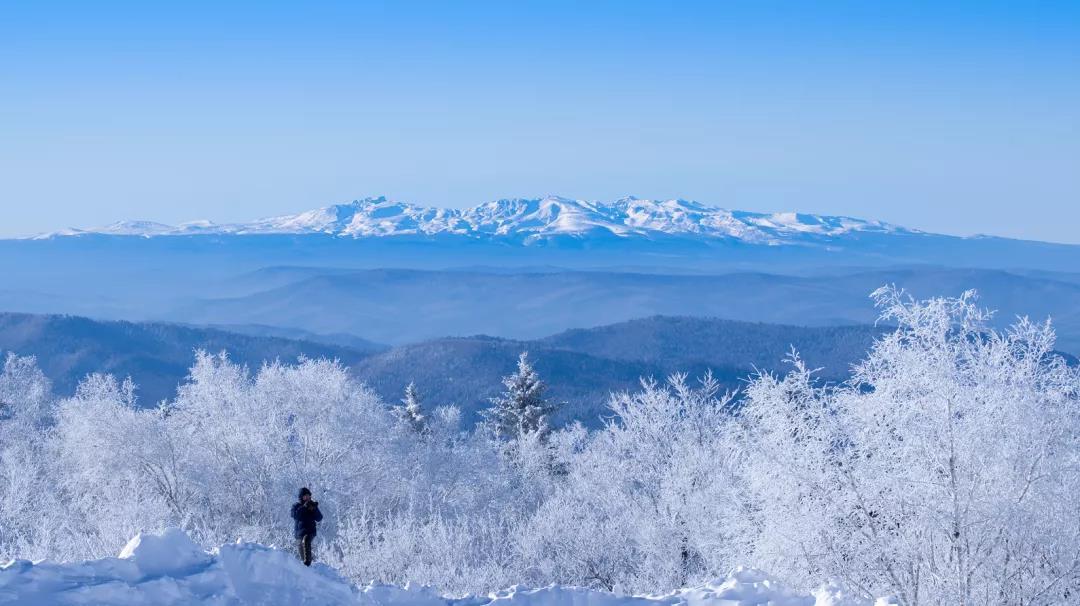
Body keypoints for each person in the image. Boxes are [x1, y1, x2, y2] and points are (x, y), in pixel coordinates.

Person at [291, 487, 323, 566]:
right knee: (303, 556)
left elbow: (319, 518)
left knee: (306, 540)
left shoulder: (312, 505)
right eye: (305, 496)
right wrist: (304, 507)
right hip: (299, 534)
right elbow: (295, 515)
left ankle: (308, 562)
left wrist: (314, 509)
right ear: (301, 497)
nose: (307, 497)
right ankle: (307, 569)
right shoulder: (296, 505)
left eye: (309, 495)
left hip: (310, 531)